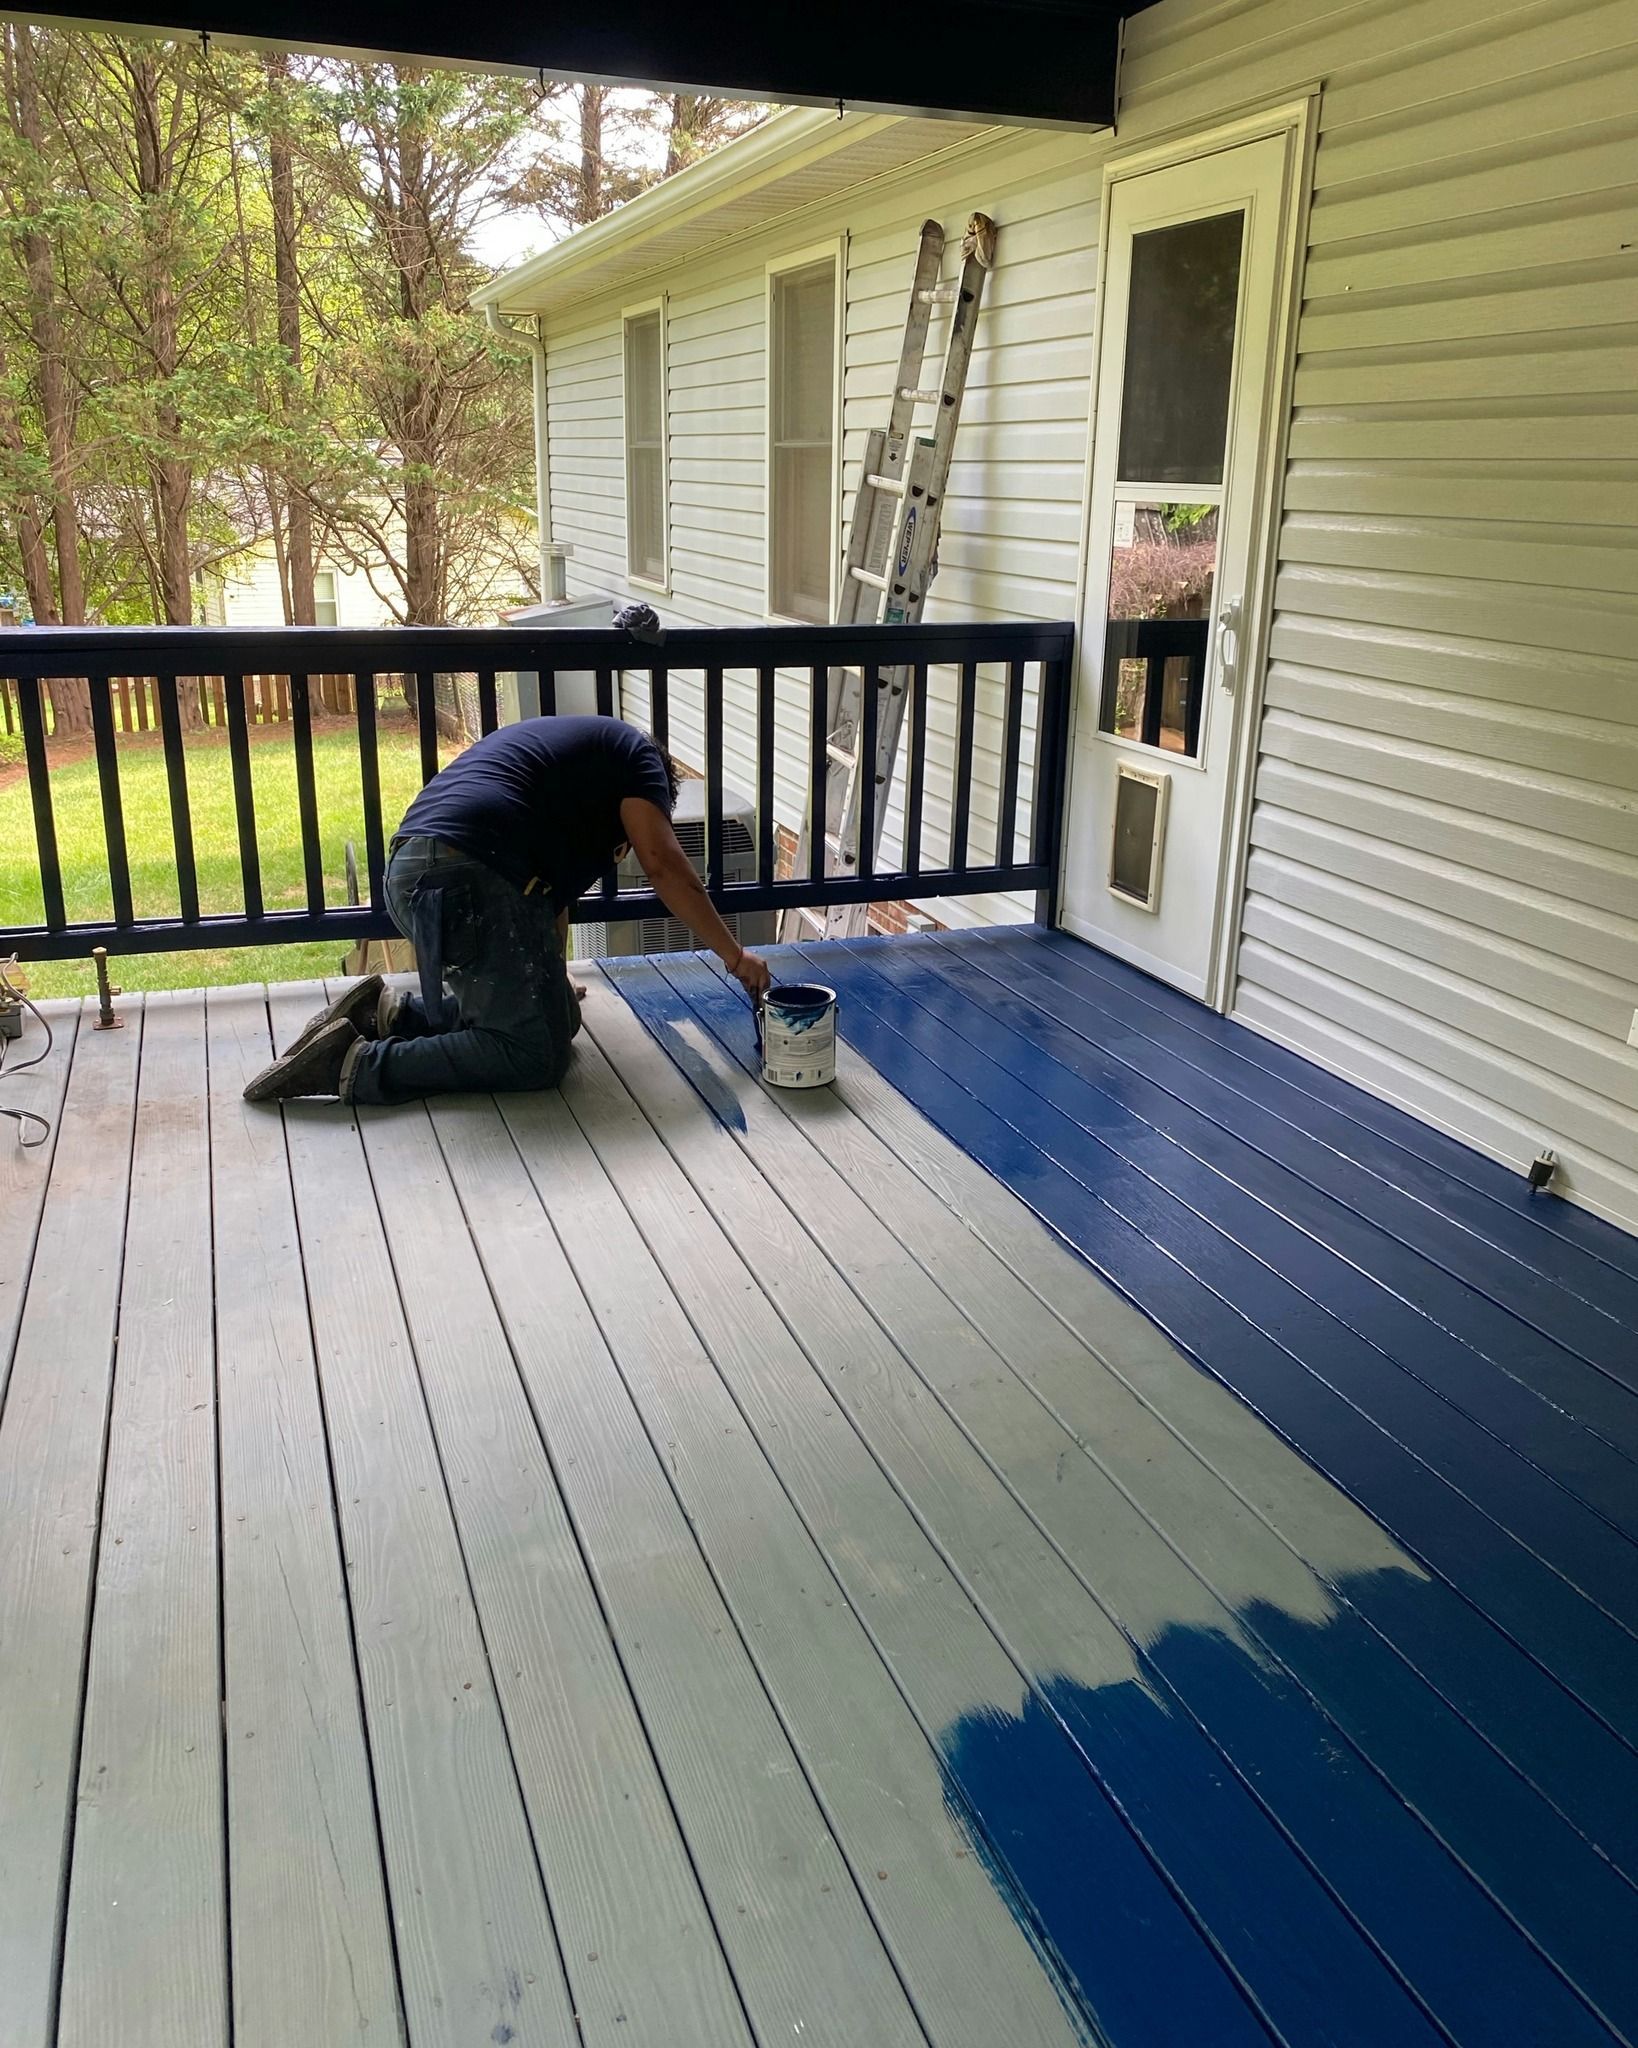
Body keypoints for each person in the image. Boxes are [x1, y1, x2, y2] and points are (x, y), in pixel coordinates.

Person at [243, 712, 771, 1104]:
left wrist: (551, 978)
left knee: (557, 1017)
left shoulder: (575, 770)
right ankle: (354, 1065)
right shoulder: (637, 759)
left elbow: (549, 908)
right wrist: (734, 956)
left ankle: (387, 1014)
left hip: (413, 875)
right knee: (534, 1055)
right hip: (469, 876)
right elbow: (665, 865)